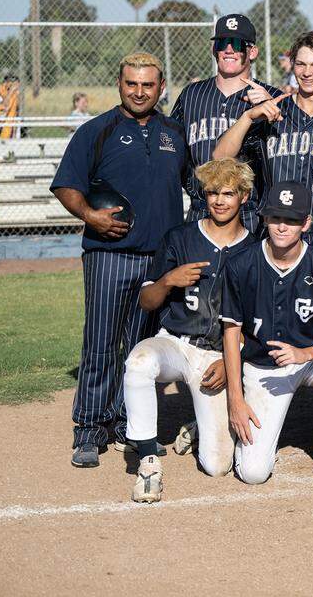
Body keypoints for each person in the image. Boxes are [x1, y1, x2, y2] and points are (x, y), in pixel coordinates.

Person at [51, 51, 187, 468]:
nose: (139, 92)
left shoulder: (173, 132)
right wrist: (89, 215)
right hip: (109, 255)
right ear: (119, 84)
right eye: (132, 84)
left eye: (148, 84)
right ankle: (90, 429)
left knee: (142, 347)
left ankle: (132, 425)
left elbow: (194, 185)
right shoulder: (97, 130)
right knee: (101, 342)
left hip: (158, 261)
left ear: (161, 87)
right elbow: (66, 185)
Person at [123, 158, 255, 502]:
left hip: (218, 354)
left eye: (228, 193)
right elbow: (147, 301)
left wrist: (231, 361)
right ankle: (148, 460)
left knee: (217, 466)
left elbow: (258, 322)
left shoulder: (256, 249)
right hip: (176, 344)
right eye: (212, 192)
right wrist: (168, 279)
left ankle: (197, 427)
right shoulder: (179, 237)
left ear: (244, 196)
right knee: (138, 363)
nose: (219, 201)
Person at [220, 180, 313, 488]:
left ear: (306, 223)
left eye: (292, 220)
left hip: (309, 360)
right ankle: (219, 422)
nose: (282, 227)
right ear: (265, 218)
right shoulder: (241, 264)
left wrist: (305, 354)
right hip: (261, 367)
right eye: (276, 218)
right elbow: (231, 333)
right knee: (253, 473)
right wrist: (235, 400)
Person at [213, 31, 313, 294]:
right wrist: (248, 117)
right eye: (300, 64)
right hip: (275, 232)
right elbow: (219, 158)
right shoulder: (274, 110)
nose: (307, 72)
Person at [169, 14, 277, 231]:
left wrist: (271, 108)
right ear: (214, 50)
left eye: (237, 44)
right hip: (200, 209)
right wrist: (192, 186)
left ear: (252, 52)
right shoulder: (192, 94)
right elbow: (173, 148)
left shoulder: (271, 97)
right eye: (221, 43)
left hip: (249, 215)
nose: (228, 50)